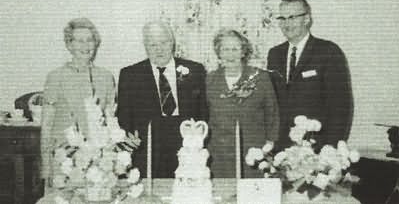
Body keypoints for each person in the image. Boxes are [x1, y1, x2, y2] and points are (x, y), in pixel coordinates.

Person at [117, 21, 208, 178]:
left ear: (172, 42)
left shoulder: (195, 69)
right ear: (145, 46)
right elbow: (123, 115)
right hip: (148, 146)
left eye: (163, 43)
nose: (159, 49)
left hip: (186, 145)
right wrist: (129, 136)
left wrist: (197, 136)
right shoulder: (130, 74)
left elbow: (203, 110)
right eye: (153, 45)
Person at [267, 0, 353, 149]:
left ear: (307, 19)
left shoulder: (328, 51)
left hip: (317, 146)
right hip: (281, 147)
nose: (287, 24)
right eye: (282, 18)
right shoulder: (274, 54)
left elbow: (340, 105)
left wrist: (330, 148)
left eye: (292, 17)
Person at [40, 18, 116, 188]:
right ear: (69, 45)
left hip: (97, 160)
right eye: (79, 41)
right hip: (64, 159)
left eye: (89, 40)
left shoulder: (106, 77)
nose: (85, 46)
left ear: (96, 44)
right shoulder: (56, 77)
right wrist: (46, 167)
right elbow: (46, 125)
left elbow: (111, 122)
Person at [206, 29, 279, 178]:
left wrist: (269, 145)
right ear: (218, 53)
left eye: (235, 49)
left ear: (243, 52)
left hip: (253, 155)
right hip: (220, 156)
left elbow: (272, 113)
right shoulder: (209, 80)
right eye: (225, 49)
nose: (230, 54)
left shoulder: (260, 78)